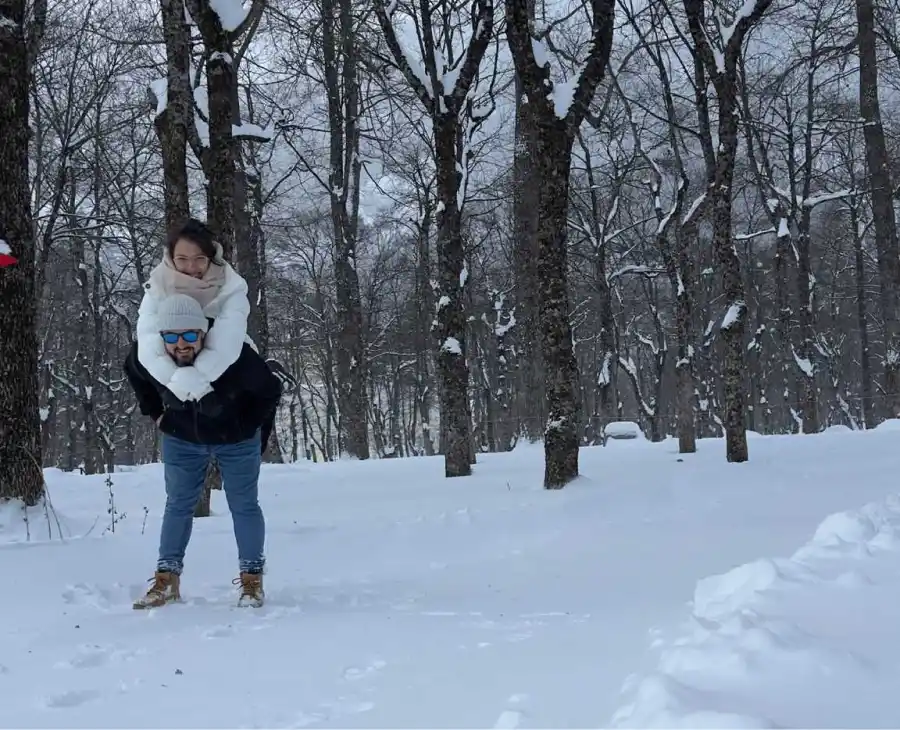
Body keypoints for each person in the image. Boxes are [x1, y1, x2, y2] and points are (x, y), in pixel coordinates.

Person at [124, 293, 282, 609]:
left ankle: (252, 580)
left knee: (244, 505)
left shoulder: (233, 354)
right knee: (178, 505)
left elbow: (270, 391)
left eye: (189, 335)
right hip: (182, 439)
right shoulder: (148, 354)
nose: (180, 344)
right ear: (161, 337)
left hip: (236, 439)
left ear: (203, 334)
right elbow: (135, 374)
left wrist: (247, 427)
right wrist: (157, 415)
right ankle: (167, 579)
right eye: (171, 336)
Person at [136, 217, 252, 403]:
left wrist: (194, 384)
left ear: (210, 258)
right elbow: (148, 341)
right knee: (134, 359)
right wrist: (176, 384)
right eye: (182, 259)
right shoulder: (158, 285)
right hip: (177, 366)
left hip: (228, 366)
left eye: (199, 259)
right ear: (171, 258)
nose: (191, 268)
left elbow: (225, 345)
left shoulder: (230, 286)